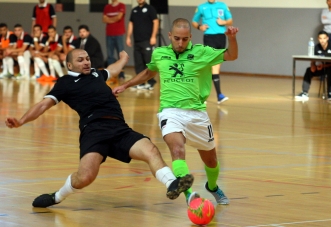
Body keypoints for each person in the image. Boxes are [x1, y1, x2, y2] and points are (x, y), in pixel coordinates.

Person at [4, 48, 194, 208]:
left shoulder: (95, 74)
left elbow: (111, 70)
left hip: (119, 128)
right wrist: (21, 121)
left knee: (151, 150)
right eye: (80, 60)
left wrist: (123, 59)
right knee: (85, 177)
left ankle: (171, 184)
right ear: (70, 66)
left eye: (87, 59)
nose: (86, 62)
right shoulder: (65, 83)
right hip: (94, 131)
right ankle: (57, 197)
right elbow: (43, 105)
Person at [112, 18, 239, 205]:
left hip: (197, 113)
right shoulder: (160, 53)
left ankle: (212, 186)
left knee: (211, 160)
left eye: (185, 39)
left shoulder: (201, 52)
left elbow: (231, 55)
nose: (180, 43)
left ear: (191, 37)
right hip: (170, 111)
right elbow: (149, 72)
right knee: (177, 149)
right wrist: (126, 85)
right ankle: (189, 196)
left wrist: (232, 39)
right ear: (170, 35)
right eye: (177, 38)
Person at [192, 0, 233, 104]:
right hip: (209, 37)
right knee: (210, 65)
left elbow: (230, 20)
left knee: (217, 65)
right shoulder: (202, 7)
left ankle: (217, 95)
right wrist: (199, 27)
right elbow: (194, 21)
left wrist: (223, 22)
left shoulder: (222, 6)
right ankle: (214, 95)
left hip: (221, 37)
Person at [295, 31, 331, 101]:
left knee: (330, 71)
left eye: (324, 38)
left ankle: (329, 93)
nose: (322, 40)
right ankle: (304, 92)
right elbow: (313, 59)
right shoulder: (316, 47)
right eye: (320, 38)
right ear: (318, 39)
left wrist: (324, 66)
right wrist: (313, 65)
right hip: (321, 67)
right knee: (308, 70)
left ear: (327, 38)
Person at [126, 0, 158, 90]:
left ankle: (151, 82)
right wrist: (128, 37)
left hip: (147, 40)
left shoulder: (150, 9)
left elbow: (156, 22)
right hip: (137, 41)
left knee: (148, 63)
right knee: (138, 63)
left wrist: (153, 36)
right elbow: (131, 24)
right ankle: (141, 83)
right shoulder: (134, 10)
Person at [103, 0, 126, 79]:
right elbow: (104, 19)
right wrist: (114, 19)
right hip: (109, 34)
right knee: (110, 56)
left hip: (119, 34)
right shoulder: (107, 7)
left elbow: (119, 17)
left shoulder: (121, 5)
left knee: (121, 55)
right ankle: (111, 75)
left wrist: (109, 19)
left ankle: (121, 74)